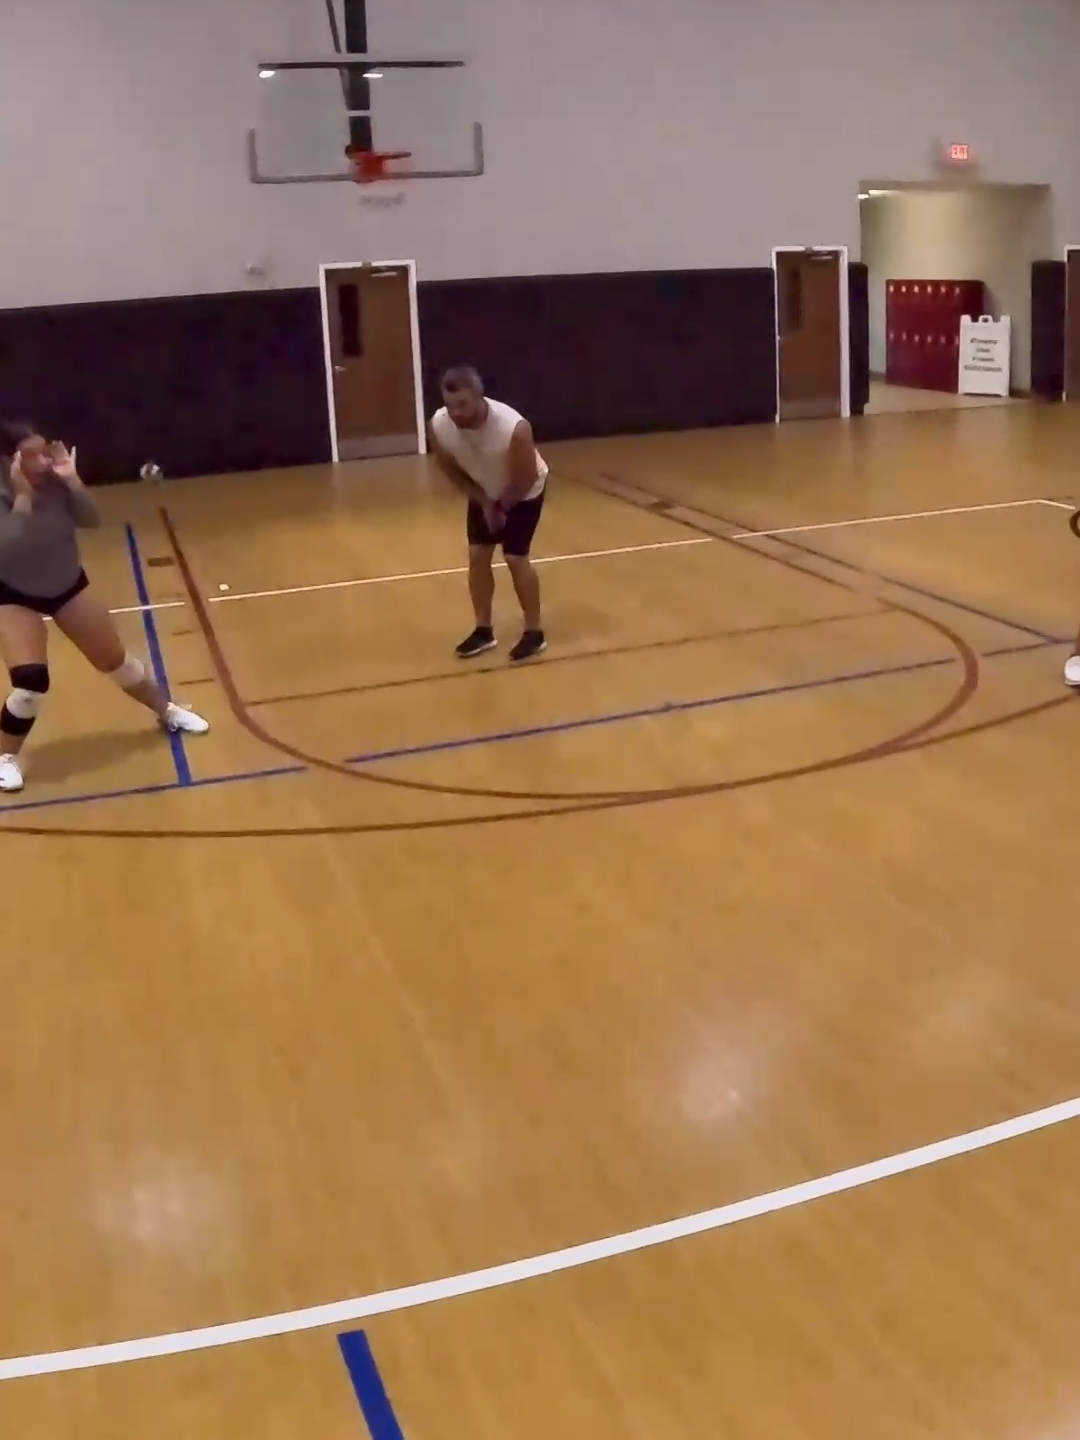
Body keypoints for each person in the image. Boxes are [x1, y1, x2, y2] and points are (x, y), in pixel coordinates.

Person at [0, 422, 209, 794]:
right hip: (12, 593)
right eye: (33, 455)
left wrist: (73, 481)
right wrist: (22, 497)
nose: (45, 460)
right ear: (8, 461)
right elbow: (7, 548)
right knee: (31, 682)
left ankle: (168, 712)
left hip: (66, 583)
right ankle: (5, 757)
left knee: (115, 661)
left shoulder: (56, 484)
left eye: (46, 449)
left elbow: (92, 519)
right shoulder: (10, 493)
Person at [428, 367, 549, 661]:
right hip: (485, 489)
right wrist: (483, 501)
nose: (455, 413)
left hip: (524, 490)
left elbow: (527, 474)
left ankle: (534, 632)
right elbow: (448, 467)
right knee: (478, 556)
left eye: (463, 405)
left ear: (480, 398)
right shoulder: (439, 425)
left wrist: (502, 507)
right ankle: (484, 630)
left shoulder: (513, 428)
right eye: (449, 405)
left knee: (515, 557)